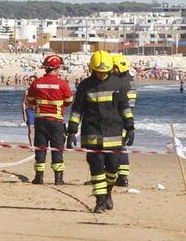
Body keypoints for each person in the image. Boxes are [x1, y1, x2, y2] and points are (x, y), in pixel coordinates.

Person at [66, 51, 134, 213]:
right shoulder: (85, 86)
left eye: (104, 71)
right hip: (92, 132)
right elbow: (77, 110)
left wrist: (130, 127)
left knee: (112, 168)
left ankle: (108, 192)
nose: (101, 74)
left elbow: (124, 107)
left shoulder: (118, 85)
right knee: (96, 168)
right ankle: (100, 200)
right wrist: (71, 131)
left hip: (114, 133)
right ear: (92, 69)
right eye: (98, 71)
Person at [26, 55, 74, 185]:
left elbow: (29, 100)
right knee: (57, 149)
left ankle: (38, 177)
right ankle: (58, 179)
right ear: (57, 67)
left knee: (40, 149)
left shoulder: (37, 83)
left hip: (41, 120)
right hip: (57, 121)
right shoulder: (62, 84)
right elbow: (69, 101)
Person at [112, 54, 137, 187]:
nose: (112, 70)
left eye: (114, 67)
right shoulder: (128, 80)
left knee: (119, 146)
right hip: (124, 118)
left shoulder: (123, 83)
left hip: (119, 119)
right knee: (119, 147)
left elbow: (123, 104)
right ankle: (121, 175)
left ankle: (122, 176)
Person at [21, 76, 37, 146]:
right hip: (29, 111)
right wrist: (24, 114)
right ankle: (32, 145)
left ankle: (37, 144)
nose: (30, 82)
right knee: (30, 128)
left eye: (32, 81)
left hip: (37, 111)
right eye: (29, 80)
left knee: (39, 129)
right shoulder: (27, 91)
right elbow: (24, 103)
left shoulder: (39, 92)